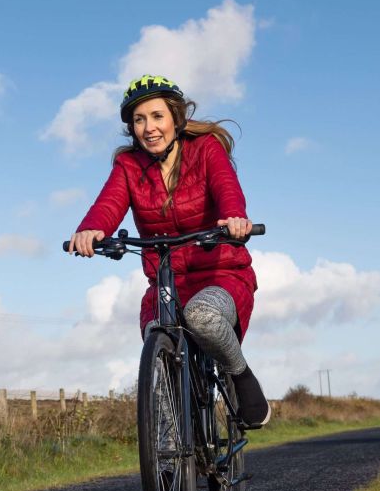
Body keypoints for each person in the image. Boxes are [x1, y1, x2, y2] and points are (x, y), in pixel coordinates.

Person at [68, 74, 269, 425]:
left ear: (176, 118)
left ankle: (240, 375)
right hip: (166, 283)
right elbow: (109, 203)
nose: (149, 128)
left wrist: (234, 218)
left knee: (201, 317)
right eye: (139, 120)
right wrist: (91, 230)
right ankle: (167, 457)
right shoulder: (129, 165)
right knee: (156, 348)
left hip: (220, 273)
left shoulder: (206, 149)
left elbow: (226, 188)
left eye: (157, 116)